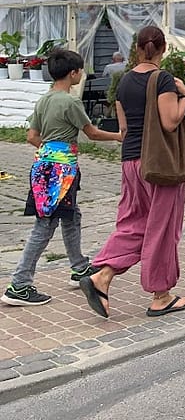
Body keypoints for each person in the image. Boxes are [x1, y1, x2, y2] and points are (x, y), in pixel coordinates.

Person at [80, 25, 185, 318]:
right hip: (158, 164)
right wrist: (183, 96)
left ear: (137, 48)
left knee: (135, 223)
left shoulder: (124, 81)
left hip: (130, 161)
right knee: (163, 227)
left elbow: (125, 128)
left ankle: (101, 277)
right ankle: (161, 295)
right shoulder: (164, 79)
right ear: (163, 48)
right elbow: (170, 122)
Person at [2, 50, 123, 307]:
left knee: (71, 216)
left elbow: (31, 136)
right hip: (62, 172)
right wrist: (117, 136)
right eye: (80, 70)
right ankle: (19, 284)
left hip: (42, 166)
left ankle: (79, 267)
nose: (81, 74)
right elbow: (91, 133)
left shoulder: (44, 100)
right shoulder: (70, 103)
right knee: (44, 226)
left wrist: (50, 150)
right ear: (73, 73)